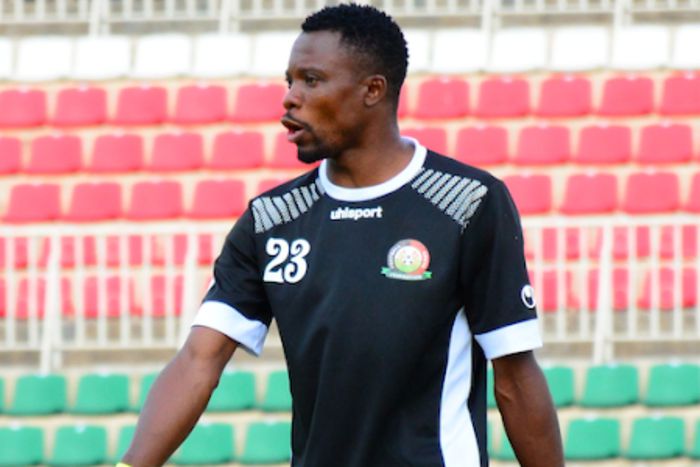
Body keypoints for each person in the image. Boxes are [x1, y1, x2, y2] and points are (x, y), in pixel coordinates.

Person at [121, 4, 563, 466]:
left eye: (311, 80)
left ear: (373, 90)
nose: (290, 98)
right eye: (289, 81)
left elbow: (514, 377)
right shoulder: (271, 219)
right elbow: (199, 360)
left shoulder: (467, 202)